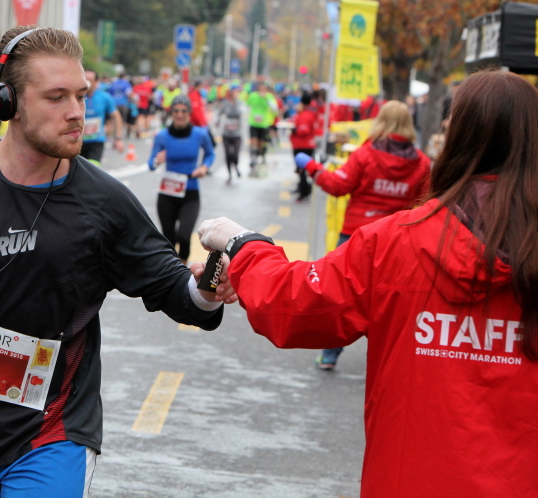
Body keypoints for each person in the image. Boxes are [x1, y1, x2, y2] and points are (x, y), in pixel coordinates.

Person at [0, 26, 235, 497]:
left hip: (53, 433)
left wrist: (207, 287)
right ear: (8, 102)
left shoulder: (105, 204)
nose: (76, 112)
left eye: (81, 95)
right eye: (56, 97)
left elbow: (179, 294)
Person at [198, 70, 538, 496]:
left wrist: (242, 244)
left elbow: (294, 302)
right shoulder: (400, 231)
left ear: (458, 139)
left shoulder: (396, 242)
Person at [295, 100, 430, 369]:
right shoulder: (422, 163)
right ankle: (386, 363)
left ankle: (329, 355)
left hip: (356, 237)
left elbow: (337, 185)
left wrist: (311, 167)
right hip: (397, 241)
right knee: (389, 302)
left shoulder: (365, 155)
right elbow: (425, 204)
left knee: (341, 297)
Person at [148, 95, 215, 265]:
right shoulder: (162, 135)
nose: (180, 114)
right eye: (176, 111)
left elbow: (210, 154)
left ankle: (183, 270)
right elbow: (151, 164)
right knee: (168, 238)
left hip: (190, 192)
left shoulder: (199, 134)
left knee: (184, 236)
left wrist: (204, 167)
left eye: (184, 111)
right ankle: (173, 273)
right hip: (167, 193)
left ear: (189, 113)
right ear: (171, 113)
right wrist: (157, 160)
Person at [80, 68, 123, 164]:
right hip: (78, 141)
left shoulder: (104, 97)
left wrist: (118, 138)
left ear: (96, 82)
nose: (86, 82)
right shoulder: (75, 97)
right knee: (76, 171)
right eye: (84, 79)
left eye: (90, 80)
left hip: (96, 140)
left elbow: (116, 116)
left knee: (92, 168)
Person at [290, 92, 318, 201]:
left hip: (302, 146)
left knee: (301, 170)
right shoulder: (307, 113)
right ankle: (301, 187)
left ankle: (304, 190)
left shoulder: (305, 115)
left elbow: (303, 131)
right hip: (305, 145)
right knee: (300, 170)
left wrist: (294, 130)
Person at [245, 82, 278, 173]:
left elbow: (275, 108)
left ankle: (262, 156)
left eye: (264, 89)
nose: (262, 91)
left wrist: (267, 100)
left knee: (262, 143)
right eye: (261, 89)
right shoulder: (253, 96)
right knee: (253, 141)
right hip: (253, 123)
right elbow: (247, 105)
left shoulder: (269, 97)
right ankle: (253, 158)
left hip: (264, 124)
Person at [216, 87, 243, 184]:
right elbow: (219, 113)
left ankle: (236, 166)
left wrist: (235, 103)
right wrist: (218, 121)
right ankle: (229, 175)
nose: (235, 94)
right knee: (227, 154)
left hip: (237, 134)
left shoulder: (239, 103)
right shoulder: (225, 103)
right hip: (226, 134)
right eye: (234, 92)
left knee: (235, 154)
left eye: (237, 92)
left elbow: (242, 112)